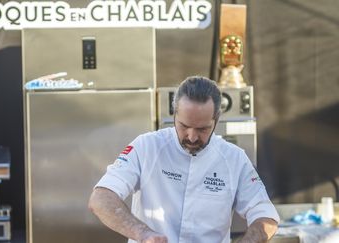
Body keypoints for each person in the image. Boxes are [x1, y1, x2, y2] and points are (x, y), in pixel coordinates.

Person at [88, 76, 279, 243]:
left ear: (217, 119)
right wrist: (143, 234)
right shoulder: (146, 147)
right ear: (174, 115)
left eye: (202, 129)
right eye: (184, 126)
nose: (192, 136)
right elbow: (101, 198)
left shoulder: (234, 159)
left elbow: (265, 214)